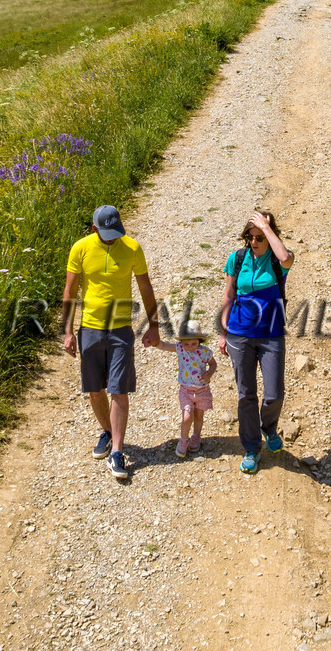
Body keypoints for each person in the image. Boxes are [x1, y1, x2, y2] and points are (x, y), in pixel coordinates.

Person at [62, 204, 160, 480]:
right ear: (94, 229)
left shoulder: (132, 248)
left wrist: (154, 325)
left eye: (117, 232)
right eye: (107, 233)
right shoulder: (80, 249)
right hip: (90, 328)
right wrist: (68, 331)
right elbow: (69, 291)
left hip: (121, 329)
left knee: (119, 390)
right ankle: (107, 431)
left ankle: (117, 451)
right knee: (95, 390)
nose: (114, 237)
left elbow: (145, 287)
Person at [217, 210, 293, 474]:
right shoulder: (237, 260)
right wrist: (223, 332)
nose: (255, 242)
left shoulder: (277, 259)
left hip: (271, 334)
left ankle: (268, 428)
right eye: (251, 236)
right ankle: (251, 447)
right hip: (240, 333)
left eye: (260, 237)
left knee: (274, 394)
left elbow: (285, 257)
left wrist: (266, 227)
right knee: (245, 394)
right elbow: (228, 296)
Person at [155, 320, 216, 458]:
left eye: (193, 343)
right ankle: (183, 440)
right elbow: (163, 345)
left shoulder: (205, 352)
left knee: (199, 416)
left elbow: (213, 364)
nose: (189, 347)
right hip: (186, 391)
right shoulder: (179, 348)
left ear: (199, 341)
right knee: (187, 416)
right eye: (186, 343)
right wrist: (154, 341)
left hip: (202, 391)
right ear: (182, 342)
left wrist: (209, 373)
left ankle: (196, 436)